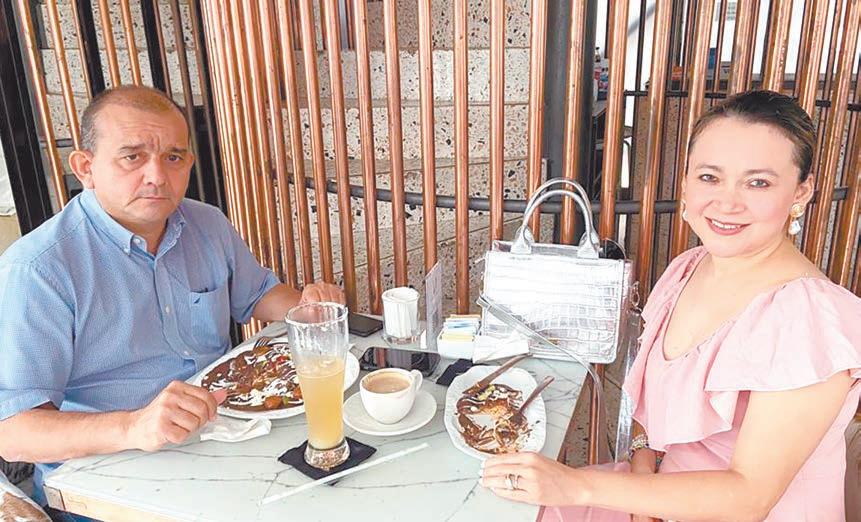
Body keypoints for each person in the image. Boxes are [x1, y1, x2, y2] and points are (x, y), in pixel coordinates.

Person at [480, 90, 861, 521]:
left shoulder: (809, 321)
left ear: (802, 191)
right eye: (709, 177)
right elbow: (651, 409)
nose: (727, 202)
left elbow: (749, 498)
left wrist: (576, 485)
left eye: (758, 182)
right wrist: (642, 470)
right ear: (684, 183)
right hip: (663, 495)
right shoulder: (687, 268)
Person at [0, 86, 344, 515]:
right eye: (132, 157)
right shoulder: (39, 269)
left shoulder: (206, 223)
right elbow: (13, 432)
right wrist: (134, 426)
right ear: (86, 167)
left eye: (173, 157)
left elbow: (258, 293)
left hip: (225, 439)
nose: (157, 176)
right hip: (111, 480)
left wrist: (308, 308)